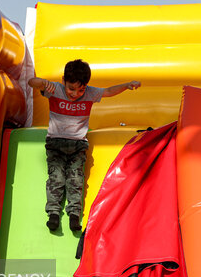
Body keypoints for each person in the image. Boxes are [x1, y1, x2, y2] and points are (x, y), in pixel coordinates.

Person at [28, 59, 141, 231]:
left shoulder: (89, 93)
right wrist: (43, 83)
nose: (76, 93)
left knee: (76, 180)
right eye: (71, 88)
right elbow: (31, 82)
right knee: (56, 178)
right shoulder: (56, 89)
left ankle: (74, 214)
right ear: (63, 80)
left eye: (80, 89)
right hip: (56, 144)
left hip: (78, 146)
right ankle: (53, 213)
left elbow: (109, 91)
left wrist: (127, 85)